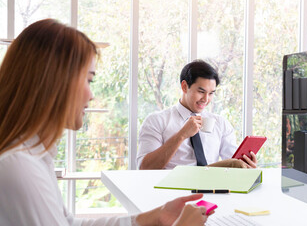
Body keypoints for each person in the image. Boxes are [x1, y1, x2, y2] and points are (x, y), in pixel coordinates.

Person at [0, 19, 211, 225]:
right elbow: (146, 167)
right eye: (89, 80)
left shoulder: (34, 156)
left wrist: (149, 219)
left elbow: (67, 222)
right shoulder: (19, 167)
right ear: (54, 82)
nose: (91, 95)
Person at [137, 60, 258, 170]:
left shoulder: (220, 123)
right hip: (174, 189)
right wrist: (182, 135)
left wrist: (247, 165)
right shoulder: (157, 121)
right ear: (184, 87)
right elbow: (145, 168)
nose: (206, 99)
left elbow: (234, 163)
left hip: (213, 190)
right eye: (201, 92)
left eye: (211, 93)